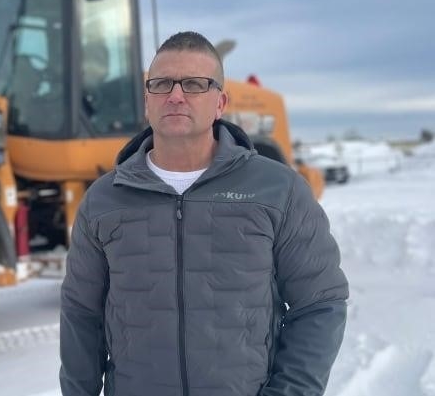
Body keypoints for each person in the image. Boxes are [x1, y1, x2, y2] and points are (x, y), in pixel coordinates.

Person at [60, 31, 349, 396]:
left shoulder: (278, 190)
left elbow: (320, 302)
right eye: (162, 84)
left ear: (220, 102)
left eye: (195, 84)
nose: (176, 95)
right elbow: (81, 315)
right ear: (147, 100)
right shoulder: (104, 199)